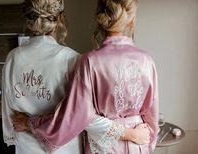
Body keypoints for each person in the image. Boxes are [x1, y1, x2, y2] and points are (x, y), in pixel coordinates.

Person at [9, 0, 155, 153]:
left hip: (101, 146)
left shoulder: (13, 57)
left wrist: (28, 123)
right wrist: (141, 139)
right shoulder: (147, 60)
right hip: (137, 144)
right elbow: (151, 115)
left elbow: (79, 115)